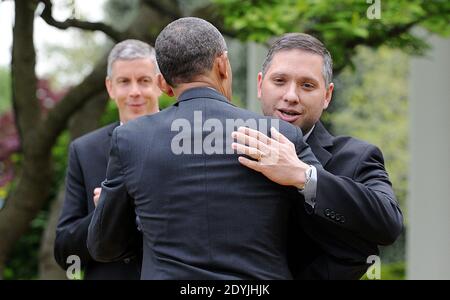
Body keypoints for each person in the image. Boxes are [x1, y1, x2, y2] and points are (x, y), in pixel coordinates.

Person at [87, 17, 321, 280]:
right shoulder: (279, 134)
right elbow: (324, 225)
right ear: (222, 64)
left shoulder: (130, 139)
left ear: (162, 84)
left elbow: (103, 245)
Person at [233, 33, 404, 279]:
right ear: (260, 85)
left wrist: (305, 176)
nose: (291, 95)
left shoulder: (357, 157)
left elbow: (388, 224)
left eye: (307, 85)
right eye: (279, 80)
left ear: (327, 95)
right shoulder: (228, 147)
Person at [54, 39, 162, 279]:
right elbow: (65, 251)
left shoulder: (181, 142)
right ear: (110, 87)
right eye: (124, 81)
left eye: (144, 80)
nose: (135, 91)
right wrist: (107, 212)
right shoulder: (84, 150)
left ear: (160, 84)